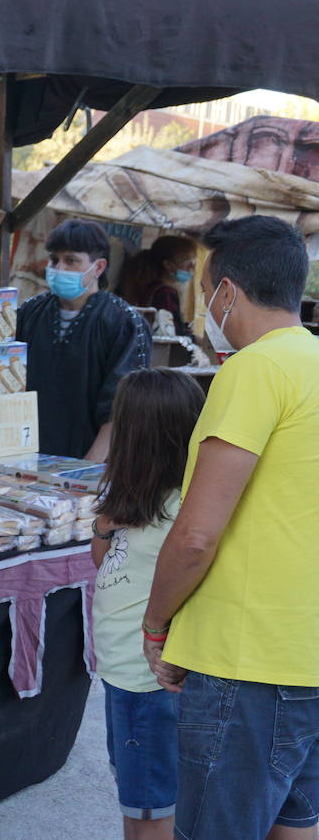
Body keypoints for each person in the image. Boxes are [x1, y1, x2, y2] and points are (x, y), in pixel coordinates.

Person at [141, 216, 319, 840]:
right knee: (296, 825)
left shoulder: (256, 369)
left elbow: (196, 534)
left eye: (205, 287)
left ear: (228, 292)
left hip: (250, 661)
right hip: (308, 654)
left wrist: (156, 622)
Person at [91, 368, 205, 840]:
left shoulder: (185, 508)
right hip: (123, 672)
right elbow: (104, 560)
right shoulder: (133, 497)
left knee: (150, 812)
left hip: (148, 682)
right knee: (136, 799)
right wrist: (104, 525)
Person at [16, 219, 152, 461]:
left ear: (98, 268)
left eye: (71, 260)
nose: (59, 268)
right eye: (54, 260)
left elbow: (121, 409)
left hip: (92, 464)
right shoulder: (29, 313)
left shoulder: (124, 323)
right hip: (25, 458)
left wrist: (85, 473)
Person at [117, 235, 198, 335]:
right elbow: (170, 332)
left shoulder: (148, 286)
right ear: (168, 265)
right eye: (189, 264)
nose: (192, 270)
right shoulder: (166, 293)